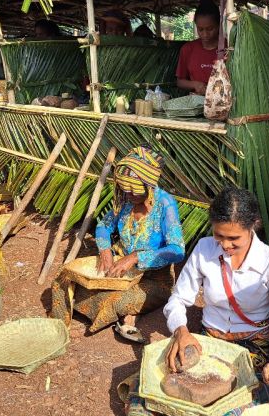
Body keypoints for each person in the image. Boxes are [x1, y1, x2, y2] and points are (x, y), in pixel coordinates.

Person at [121, 187, 269, 416]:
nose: (225, 245)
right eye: (219, 236)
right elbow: (178, 299)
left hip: (253, 347)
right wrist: (181, 331)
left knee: (231, 406)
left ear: (253, 226)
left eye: (234, 239)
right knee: (146, 386)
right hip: (207, 341)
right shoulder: (205, 249)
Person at [52, 146, 184, 343]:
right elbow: (104, 227)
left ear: (148, 185)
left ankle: (126, 319)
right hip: (119, 270)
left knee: (113, 300)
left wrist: (135, 257)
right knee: (65, 278)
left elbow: (177, 250)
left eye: (133, 190)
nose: (128, 194)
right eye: (124, 189)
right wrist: (105, 250)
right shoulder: (124, 200)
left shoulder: (166, 204)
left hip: (155, 280)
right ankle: (58, 325)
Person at [176, 0, 220, 95]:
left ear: (218, 26)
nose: (205, 34)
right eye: (200, 29)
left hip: (225, 104)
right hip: (197, 105)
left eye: (210, 29)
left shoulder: (228, 47)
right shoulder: (188, 49)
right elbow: (180, 82)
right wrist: (195, 85)